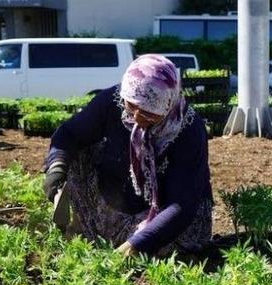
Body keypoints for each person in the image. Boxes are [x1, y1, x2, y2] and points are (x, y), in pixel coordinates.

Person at [43, 54, 213, 257]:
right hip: (119, 201)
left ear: (168, 104)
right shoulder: (112, 101)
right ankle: (89, 224)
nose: (137, 118)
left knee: (165, 248)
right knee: (79, 151)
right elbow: (69, 133)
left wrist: (136, 245)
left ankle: (130, 238)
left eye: (150, 112)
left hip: (169, 216)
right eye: (132, 107)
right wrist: (56, 169)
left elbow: (181, 205)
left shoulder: (188, 130)